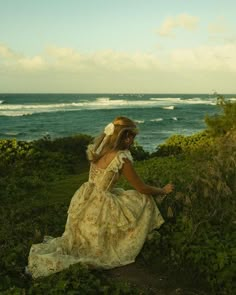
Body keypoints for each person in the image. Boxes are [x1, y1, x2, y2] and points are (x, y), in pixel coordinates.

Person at [27, 116, 174, 278]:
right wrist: (162, 190)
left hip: (86, 198)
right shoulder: (121, 158)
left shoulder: (99, 148)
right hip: (102, 203)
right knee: (144, 199)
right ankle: (139, 237)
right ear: (124, 136)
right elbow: (141, 187)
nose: (133, 141)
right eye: (132, 136)